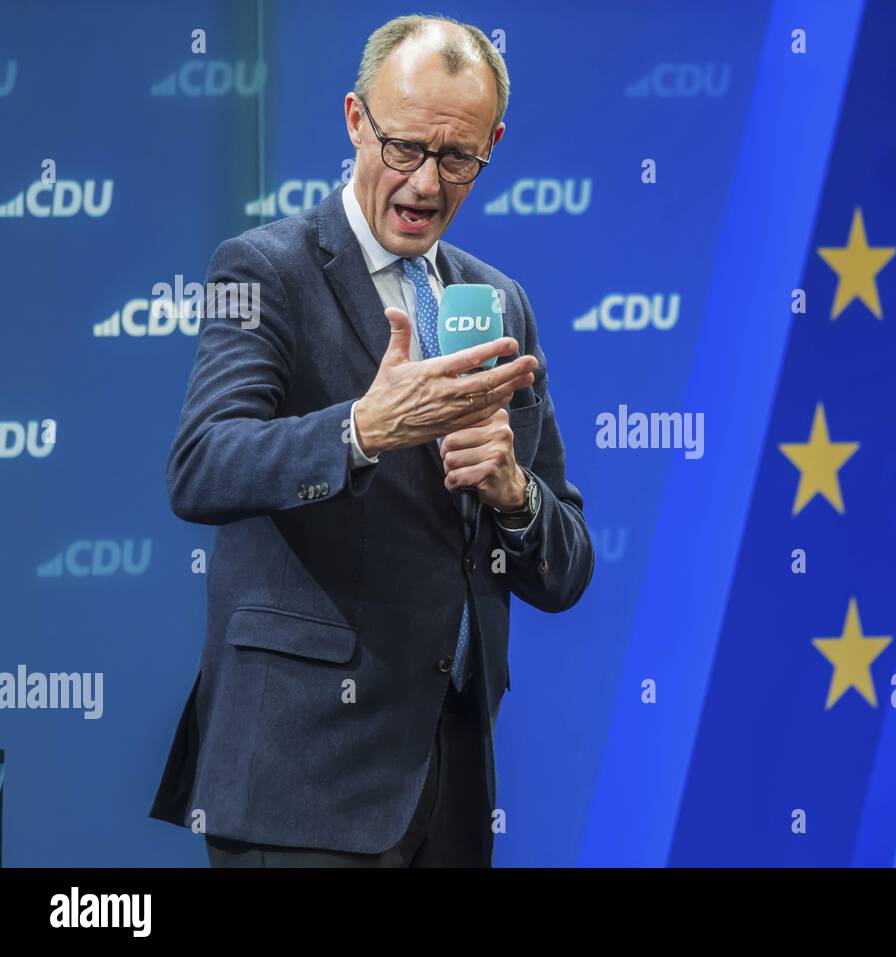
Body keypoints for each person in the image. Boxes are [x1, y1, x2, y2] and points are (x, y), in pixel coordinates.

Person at [148, 13, 594, 867]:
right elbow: (201, 465)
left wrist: (514, 496)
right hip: (303, 781)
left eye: (456, 157)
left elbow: (567, 565)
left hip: (452, 778)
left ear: (491, 145)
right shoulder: (261, 271)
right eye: (403, 148)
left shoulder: (500, 302)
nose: (426, 182)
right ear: (356, 120)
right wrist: (362, 429)